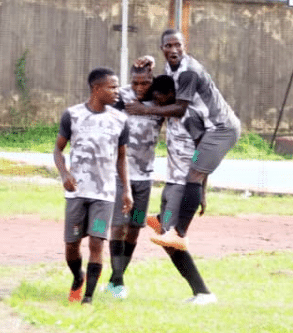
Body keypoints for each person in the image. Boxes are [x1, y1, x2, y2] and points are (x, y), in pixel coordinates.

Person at [126, 29, 241, 304]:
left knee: (171, 239)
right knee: (165, 241)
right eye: (168, 45)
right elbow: (154, 83)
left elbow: (201, 153)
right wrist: (148, 64)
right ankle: (200, 290)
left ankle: (181, 237)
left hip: (183, 182)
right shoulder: (171, 75)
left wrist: (201, 189)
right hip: (173, 183)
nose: (158, 100)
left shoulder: (187, 113)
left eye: (177, 44)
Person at [54, 67, 133, 305]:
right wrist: (64, 174)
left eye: (117, 86)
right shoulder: (72, 115)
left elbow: (122, 157)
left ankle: (87, 298)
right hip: (77, 193)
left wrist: (126, 190)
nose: (117, 91)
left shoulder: (120, 120)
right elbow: (58, 149)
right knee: (71, 245)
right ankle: (78, 277)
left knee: (97, 242)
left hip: (104, 196)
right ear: (96, 88)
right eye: (112, 86)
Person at [105, 64, 164, 299]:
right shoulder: (124, 97)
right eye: (135, 82)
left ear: (153, 81)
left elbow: (176, 85)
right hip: (122, 176)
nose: (139, 88)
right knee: (118, 225)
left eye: (145, 83)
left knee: (135, 228)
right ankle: (118, 280)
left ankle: (114, 279)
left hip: (146, 179)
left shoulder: (161, 103)